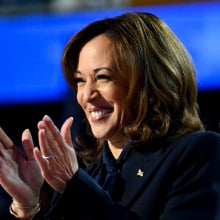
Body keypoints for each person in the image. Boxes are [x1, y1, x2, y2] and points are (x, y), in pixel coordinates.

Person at [0, 11, 220, 220]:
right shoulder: (84, 175)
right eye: (80, 80)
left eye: (103, 77)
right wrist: (27, 206)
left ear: (150, 81)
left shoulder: (198, 152)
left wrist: (76, 186)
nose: (86, 95)